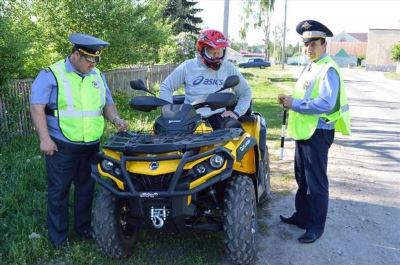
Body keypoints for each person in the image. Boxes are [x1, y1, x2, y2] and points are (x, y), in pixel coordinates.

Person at [30, 33, 128, 248]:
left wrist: (116, 119)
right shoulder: (51, 74)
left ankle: (83, 229)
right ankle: (59, 239)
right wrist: (44, 139)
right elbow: (36, 107)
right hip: (61, 144)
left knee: (86, 188)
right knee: (59, 191)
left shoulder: (97, 76)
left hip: (91, 144)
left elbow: (107, 105)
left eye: (96, 60)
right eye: (88, 60)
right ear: (75, 54)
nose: (92, 64)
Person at [278, 20, 351, 243]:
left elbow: (326, 103)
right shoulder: (311, 66)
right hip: (305, 131)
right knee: (302, 178)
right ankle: (302, 217)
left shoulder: (328, 68)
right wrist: (289, 101)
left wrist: (295, 104)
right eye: (305, 44)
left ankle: (316, 226)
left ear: (324, 44)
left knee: (316, 182)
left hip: (318, 132)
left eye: (313, 44)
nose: (308, 48)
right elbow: (306, 95)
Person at [159, 29, 252, 130]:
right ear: (201, 50)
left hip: (218, 115)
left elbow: (245, 92)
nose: (216, 56)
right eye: (212, 52)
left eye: (219, 52)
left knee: (235, 133)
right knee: (171, 138)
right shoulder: (188, 66)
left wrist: (236, 112)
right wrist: (168, 113)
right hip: (190, 115)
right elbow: (166, 87)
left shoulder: (228, 67)